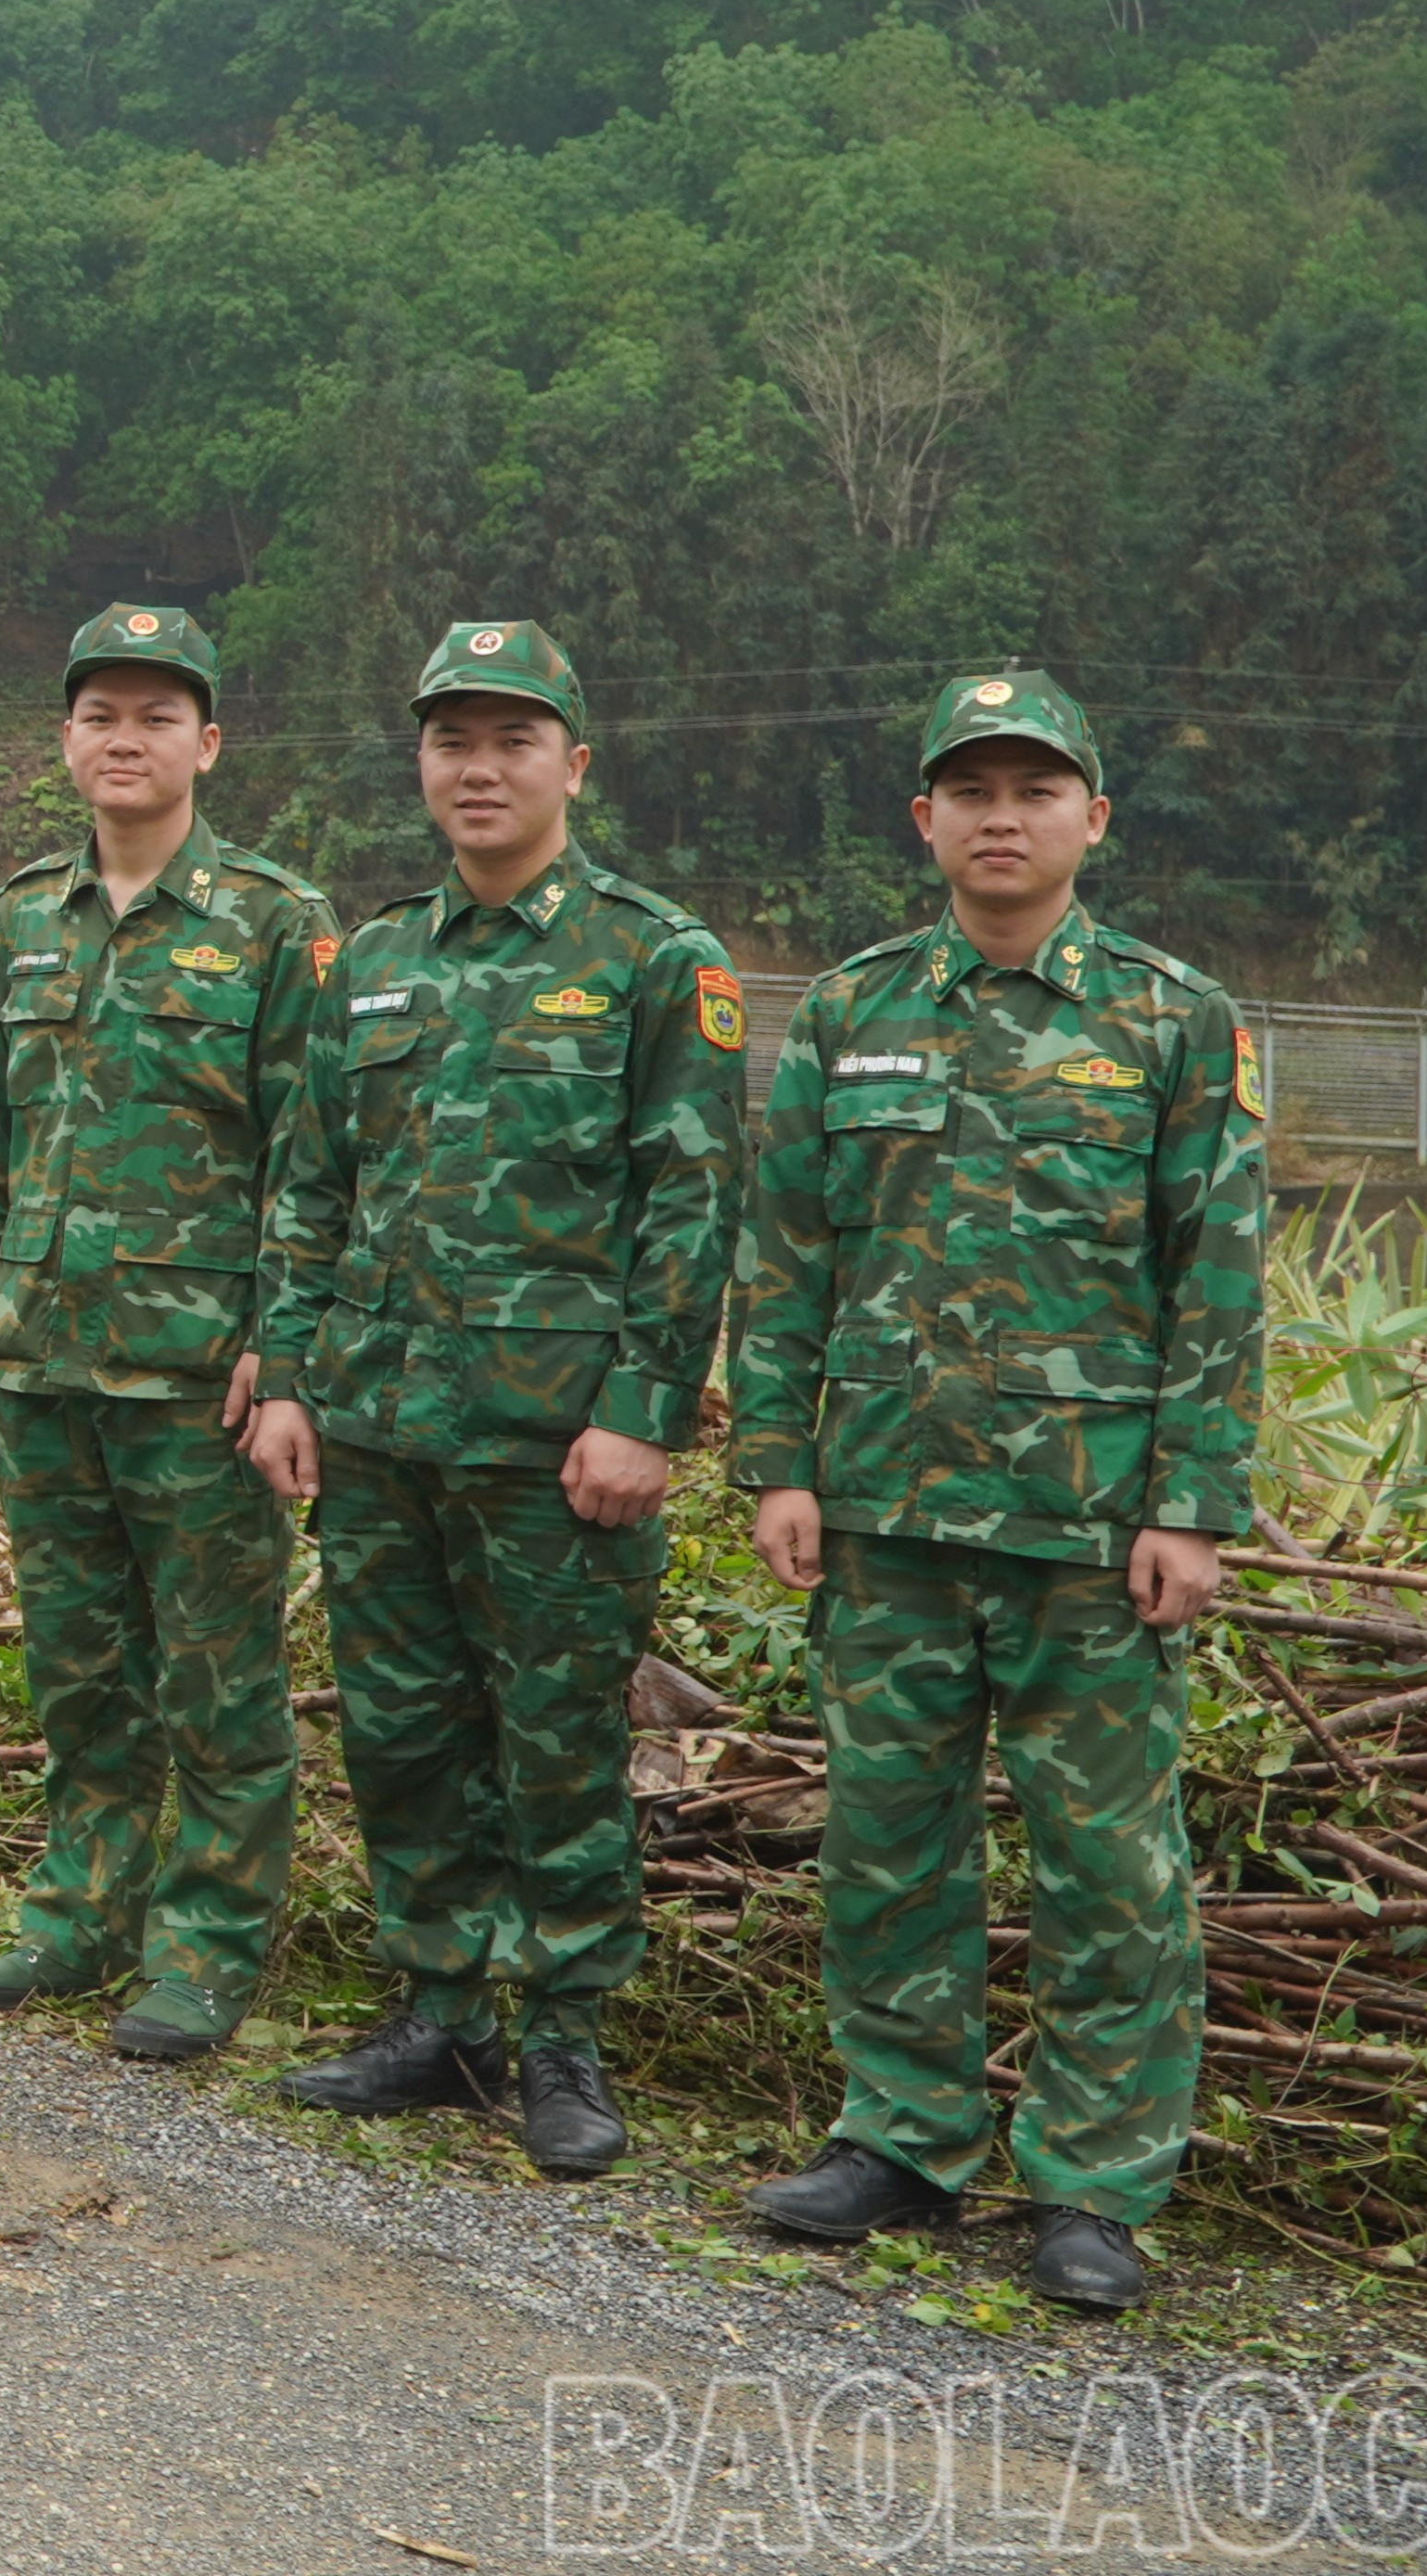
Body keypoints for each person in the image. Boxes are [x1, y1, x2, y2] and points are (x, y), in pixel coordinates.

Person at [724, 672, 1258, 2314]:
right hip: (885, 1512)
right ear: (927, 823)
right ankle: (902, 2134)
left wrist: (1191, 1505)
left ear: (1094, 817)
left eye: (1038, 788)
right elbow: (791, 1253)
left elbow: (1217, 1283)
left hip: (1091, 1532)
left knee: (1110, 1867)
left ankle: (1093, 2187)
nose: (1003, 815)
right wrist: (777, 1461)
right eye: (973, 789)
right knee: (891, 1840)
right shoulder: (850, 1011)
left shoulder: (1176, 1021)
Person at [244, 619, 745, 2176]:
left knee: (556, 1736)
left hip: (557, 1440)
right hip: (386, 1425)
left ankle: (567, 2040)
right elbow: (312, 1183)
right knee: (404, 1728)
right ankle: (442, 2009)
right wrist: (293, 1376)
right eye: (453, 739)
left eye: (513, 740)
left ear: (572, 764)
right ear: (423, 763)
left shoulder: (658, 960)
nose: (480, 766)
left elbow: (693, 1204)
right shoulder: (373, 961)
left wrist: (645, 1408)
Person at [0, 604, 330, 2063]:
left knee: (217, 1676)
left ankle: (207, 1947)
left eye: (159, 716)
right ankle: (78, 1913)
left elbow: (309, 1156)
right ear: (67, 740)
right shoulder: (25, 915)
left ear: (208, 743)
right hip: (44, 1358)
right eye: (102, 716)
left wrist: (286, 1346)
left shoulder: (277, 924)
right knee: (81, 1666)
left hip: (197, 1374)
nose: (127, 740)